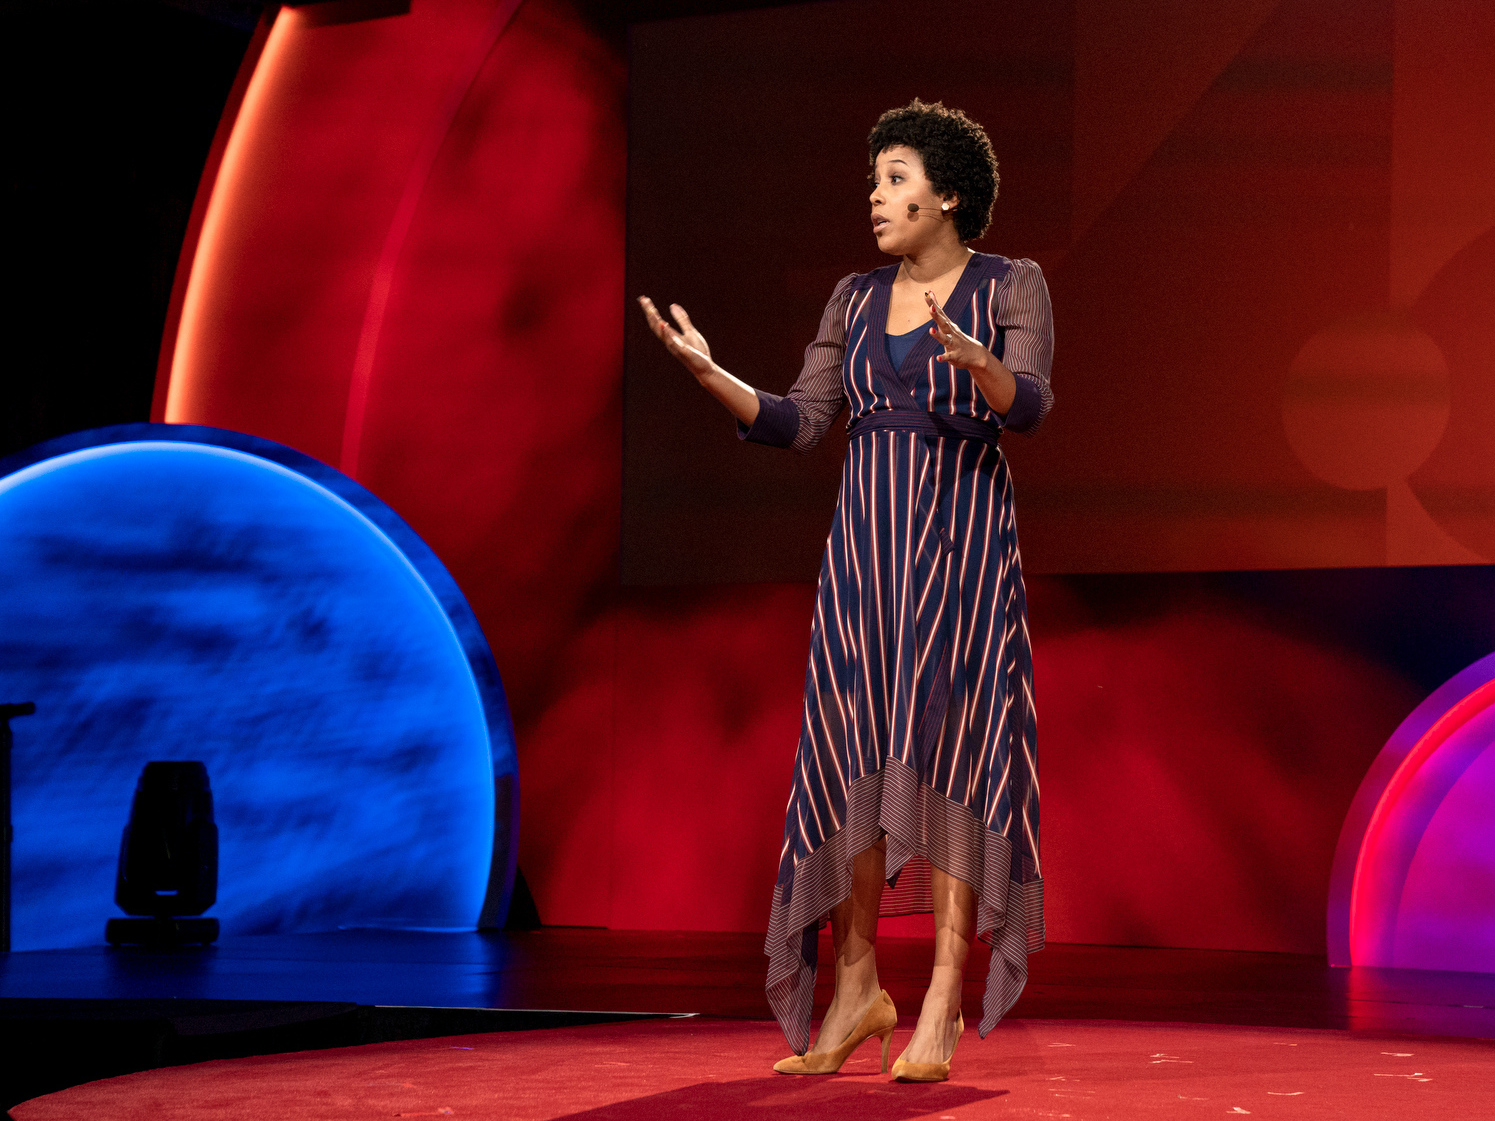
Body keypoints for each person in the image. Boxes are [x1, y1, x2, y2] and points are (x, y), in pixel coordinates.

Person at [638, 98, 1052, 1083]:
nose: (876, 197)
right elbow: (798, 419)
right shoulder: (855, 299)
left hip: (958, 548)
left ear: (948, 192)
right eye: (872, 181)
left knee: (952, 754)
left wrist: (982, 363)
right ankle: (856, 983)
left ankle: (944, 991)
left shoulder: (1010, 283)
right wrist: (711, 375)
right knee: (847, 761)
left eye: (897, 178)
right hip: (864, 557)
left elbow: (1029, 403)